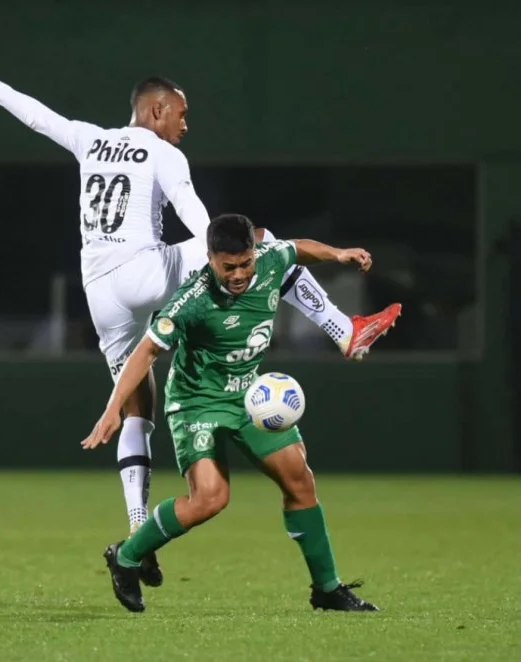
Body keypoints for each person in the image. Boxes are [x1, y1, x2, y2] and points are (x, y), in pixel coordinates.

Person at [0, 61, 401, 589]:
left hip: (99, 289)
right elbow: (196, 214)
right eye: (181, 114)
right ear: (157, 110)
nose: (185, 125)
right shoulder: (163, 152)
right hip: (143, 269)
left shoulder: (90, 139)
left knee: (138, 403)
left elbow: (38, 117)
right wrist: (228, 257)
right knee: (258, 238)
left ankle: (138, 529)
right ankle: (345, 331)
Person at [81, 214, 384, 613]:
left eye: (245, 263)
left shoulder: (271, 258)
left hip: (247, 398)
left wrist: (338, 254)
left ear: (254, 253)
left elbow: (298, 247)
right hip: (196, 402)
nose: (239, 274)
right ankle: (125, 556)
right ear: (209, 258)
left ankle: (327, 588)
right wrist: (112, 409)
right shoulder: (191, 300)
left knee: (300, 481)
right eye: (228, 267)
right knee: (210, 498)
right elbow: (146, 351)